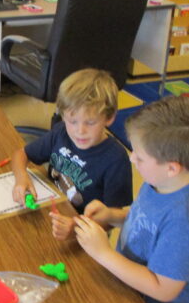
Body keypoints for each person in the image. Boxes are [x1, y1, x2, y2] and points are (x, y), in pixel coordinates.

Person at [74, 95, 189, 303]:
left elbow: (164, 289)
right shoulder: (160, 182)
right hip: (127, 289)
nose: (131, 159)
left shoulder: (185, 220)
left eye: (139, 157)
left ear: (171, 167)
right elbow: (145, 221)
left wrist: (103, 253)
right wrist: (113, 216)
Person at [10, 68, 132, 239]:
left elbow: (111, 219)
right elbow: (21, 154)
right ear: (63, 115)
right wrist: (21, 178)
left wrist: (75, 228)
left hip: (85, 235)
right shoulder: (61, 133)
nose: (80, 131)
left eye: (90, 122)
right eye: (72, 121)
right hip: (52, 214)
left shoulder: (116, 159)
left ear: (109, 117)